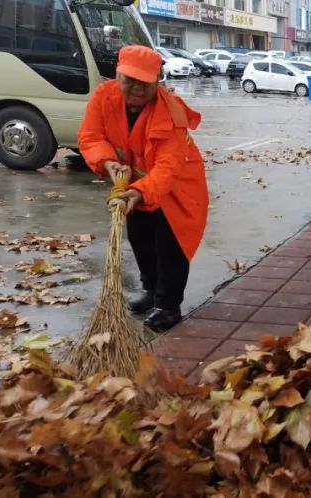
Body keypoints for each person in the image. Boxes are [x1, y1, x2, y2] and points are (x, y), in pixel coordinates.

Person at [78, 45, 209, 331]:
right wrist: (107, 163)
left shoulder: (169, 114)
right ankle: (150, 291)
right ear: (118, 75)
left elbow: (167, 168)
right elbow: (91, 136)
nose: (137, 87)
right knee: (140, 237)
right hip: (135, 180)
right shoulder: (104, 96)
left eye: (145, 82)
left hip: (177, 184)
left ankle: (168, 305)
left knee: (170, 245)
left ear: (156, 81)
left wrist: (140, 193)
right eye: (130, 80)